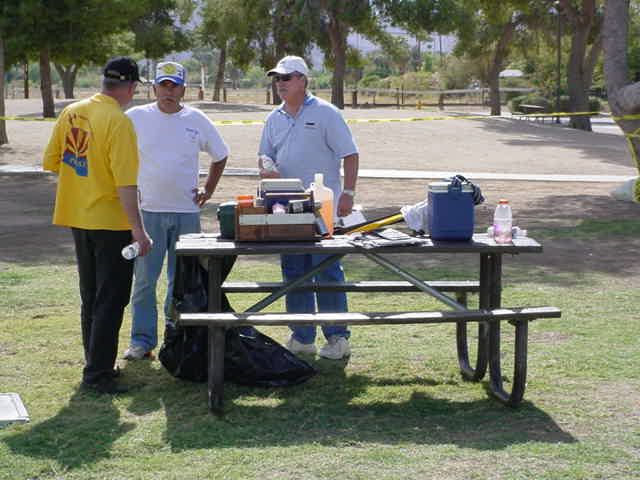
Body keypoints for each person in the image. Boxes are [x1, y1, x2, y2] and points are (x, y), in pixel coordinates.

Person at [43, 56, 152, 394]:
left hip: (78, 217)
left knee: (90, 295)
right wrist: (139, 229)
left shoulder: (72, 112)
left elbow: (52, 162)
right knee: (111, 297)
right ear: (131, 87)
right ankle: (99, 373)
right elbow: (125, 184)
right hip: (111, 222)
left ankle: (94, 362)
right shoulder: (118, 121)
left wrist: (83, 185)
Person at [122, 61, 229, 360]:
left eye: (175, 85)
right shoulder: (134, 118)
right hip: (148, 213)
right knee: (144, 280)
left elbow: (220, 155)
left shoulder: (197, 119)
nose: (169, 91)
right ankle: (142, 341)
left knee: (180, 280)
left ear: (184, 89)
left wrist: (208, 189)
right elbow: (115, 154)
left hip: (186, 213)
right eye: (163, 85)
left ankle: (175, 336)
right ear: (154, 88)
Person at [258, 55, 359, 360]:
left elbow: (350, 155)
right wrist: (266, 168)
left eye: (286, 78)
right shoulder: (273, 118)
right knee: (294, 270)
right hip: (283, 205)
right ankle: (302, 337)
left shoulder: (327, 113)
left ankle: (337, 338)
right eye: (277, 79)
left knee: (327, 270)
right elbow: (264, 156)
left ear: (303, 80)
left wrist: (349, 193)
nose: (280, 84)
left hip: (323, 206)